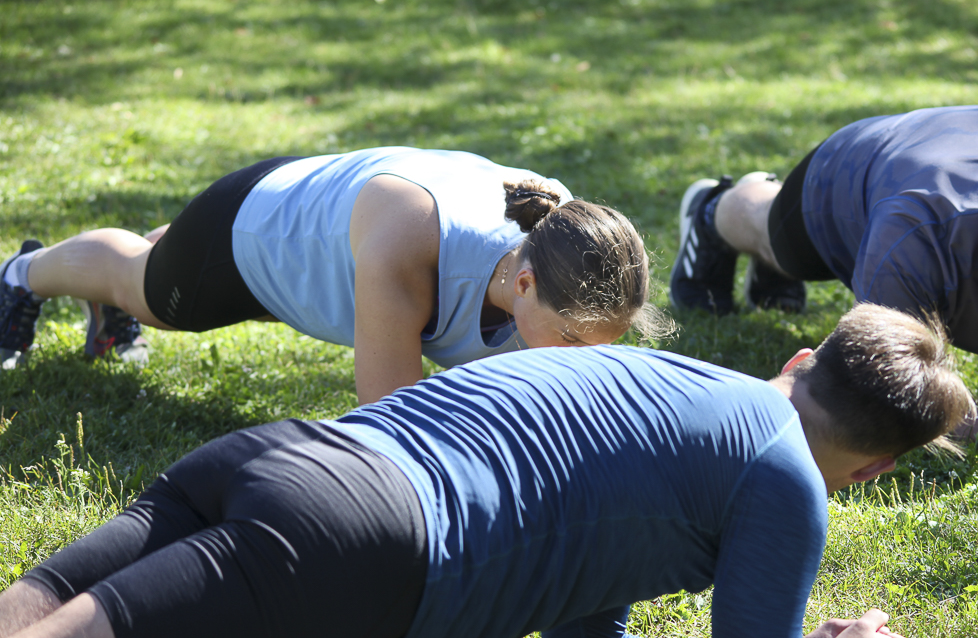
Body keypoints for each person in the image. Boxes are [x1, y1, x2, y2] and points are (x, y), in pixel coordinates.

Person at [0, 303, 972, 638]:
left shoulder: (665, 390)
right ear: (874, 469)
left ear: (801, 359)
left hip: (275, 459)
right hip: (351, 545)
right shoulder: (784, 478)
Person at [670, 105, 978, 458]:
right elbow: (884, 401)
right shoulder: (913, 237)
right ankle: (716, 206)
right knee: (780, 242)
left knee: (784, 264)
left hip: (965, 151)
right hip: (854, 169)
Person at [0, 148, 669, 403]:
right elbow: (396, 426)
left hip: (327, 226)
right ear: (523, 286)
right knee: (145, 289)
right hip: (248, 237)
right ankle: (20, 274)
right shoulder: (416, 247)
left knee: (159, 263)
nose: (587, 363)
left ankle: (164, 247)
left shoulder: (564, 247)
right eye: (575, 342)